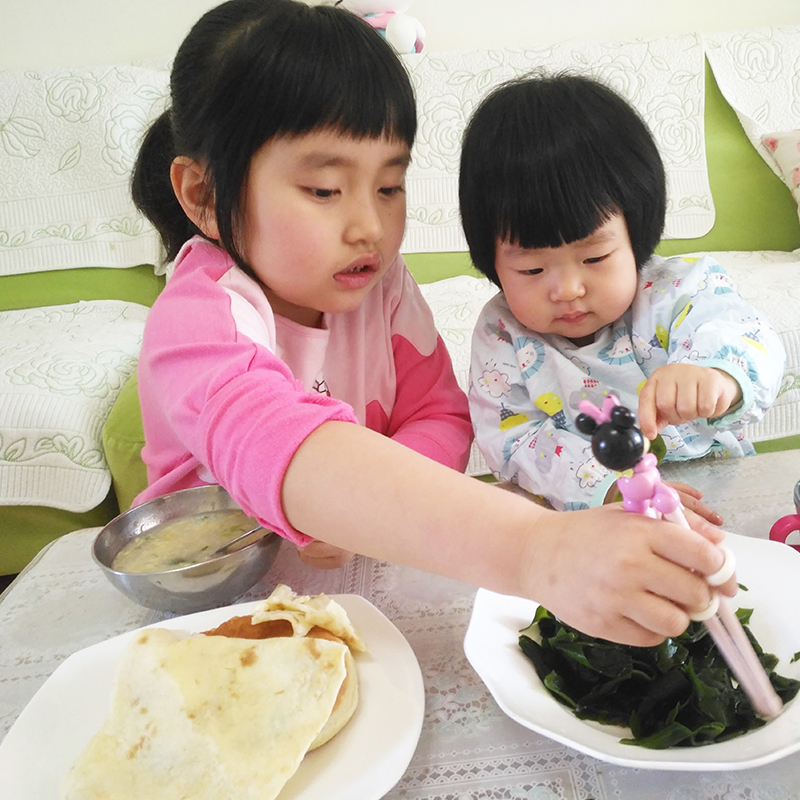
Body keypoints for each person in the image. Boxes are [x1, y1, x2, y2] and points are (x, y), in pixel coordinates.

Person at [131, 0, 735, 648]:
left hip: (378, 577)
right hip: (219, 610)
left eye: (388, 186)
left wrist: (359, 514)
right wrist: (537, 550)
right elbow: (272, 437)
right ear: (203, 195)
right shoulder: (199, 319)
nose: (370, 227)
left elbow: (441, 417)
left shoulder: (381, 287)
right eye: (326, 191)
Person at [460, 73, 785, 513]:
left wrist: (717, 376)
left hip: (713, 498)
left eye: (594, 259)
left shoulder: (681, 290)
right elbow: (514, 441)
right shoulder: (503, 334)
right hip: (592, 519)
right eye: (532, 268)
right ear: (492, 261)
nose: (568, 289)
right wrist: (613, 487)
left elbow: (751, 338)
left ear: (636, 233)